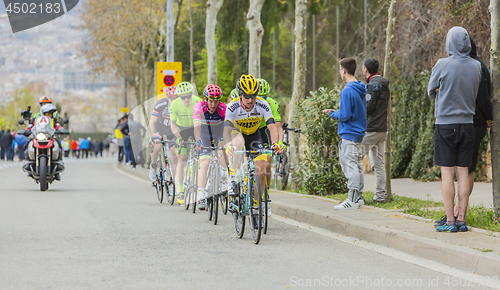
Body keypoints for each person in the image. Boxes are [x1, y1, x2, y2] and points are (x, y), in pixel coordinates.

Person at [428, 27, 481, 233]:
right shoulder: (476, 66)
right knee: (463, 173)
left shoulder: (442, 64)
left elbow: (430, 91)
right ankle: (462, 219)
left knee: (447, 175)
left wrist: (441, 90)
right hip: (468, 125)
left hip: (445, 125)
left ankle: (450, 222)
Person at [224, 74, 282, 227]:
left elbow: (272, 127)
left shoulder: (263, 104)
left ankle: (256, 208)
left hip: (254, 135)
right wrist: (228, 144)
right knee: (238, 143)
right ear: (240, 95)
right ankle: (233, 178)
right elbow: (226, 129)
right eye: (247, 96)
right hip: (237, 133)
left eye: (253, 96)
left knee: (262, 169)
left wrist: (275, 144)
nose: (250, 100)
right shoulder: (233, 106)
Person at [322, 58, 367, 210]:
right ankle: (358, 197)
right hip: (358, 133)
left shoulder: (347, 90)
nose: (339, 72)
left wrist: (332, 114)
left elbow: (345, 115)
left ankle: (352, 200)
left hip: (348, 133)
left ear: (344, 71)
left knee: (350, 167)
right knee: (357, 166)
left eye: (339, 69)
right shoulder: (361, 88)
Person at [193, 84, 228, 210]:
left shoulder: (223, 108)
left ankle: (224, 177)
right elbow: (196, 126)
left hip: (219, 133)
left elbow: (228, 127)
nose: (213, 104)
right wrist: (198, 141)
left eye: (216, 101)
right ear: (205, 99)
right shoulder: (199, 107)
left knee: (223, 151)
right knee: (205, 162)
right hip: (204, 134)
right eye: (211, 101)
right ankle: (201, 195)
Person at [361, 58, 390, 203]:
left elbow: (369, 108)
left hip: (371, 129)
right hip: (382, 129)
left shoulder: (372, 85)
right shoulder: (384, 84)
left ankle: (355, 195)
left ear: (365, 69)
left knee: (353, 158)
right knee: (379, 165)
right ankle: (380, 197)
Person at [170, 82, 202, 204]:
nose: (187, 99)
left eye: (188, 96)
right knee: (181, 159)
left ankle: (199, 185)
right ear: (179, 97)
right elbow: (173, 124)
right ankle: (181, 190)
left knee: (201, 155)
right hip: (181, 129)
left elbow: (202, 120)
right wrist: (178, 137)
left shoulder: (197, 100)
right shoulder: (175, 104)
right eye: (183, 97)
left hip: (195, 127)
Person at [257, 78, 284, 216]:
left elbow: (278, 127)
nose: (262, 100)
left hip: (265, 130)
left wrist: (279, 143)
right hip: (251, 130)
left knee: (267, 164)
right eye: (259, 97)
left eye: (264, 97)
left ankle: (265, 198)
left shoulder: (271, 103)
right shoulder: (247, 103)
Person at [149, 86, 179, 182]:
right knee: (157, 146)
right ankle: (153, 166)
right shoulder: (160, 104)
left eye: (176, 99)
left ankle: (173, 180)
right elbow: (152, 122)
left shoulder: (180, 106)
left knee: (175, 153)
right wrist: (151, 137)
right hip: (159, 128)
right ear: (168, 98)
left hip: (172, 129)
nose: (173, 101)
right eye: (172, 99)